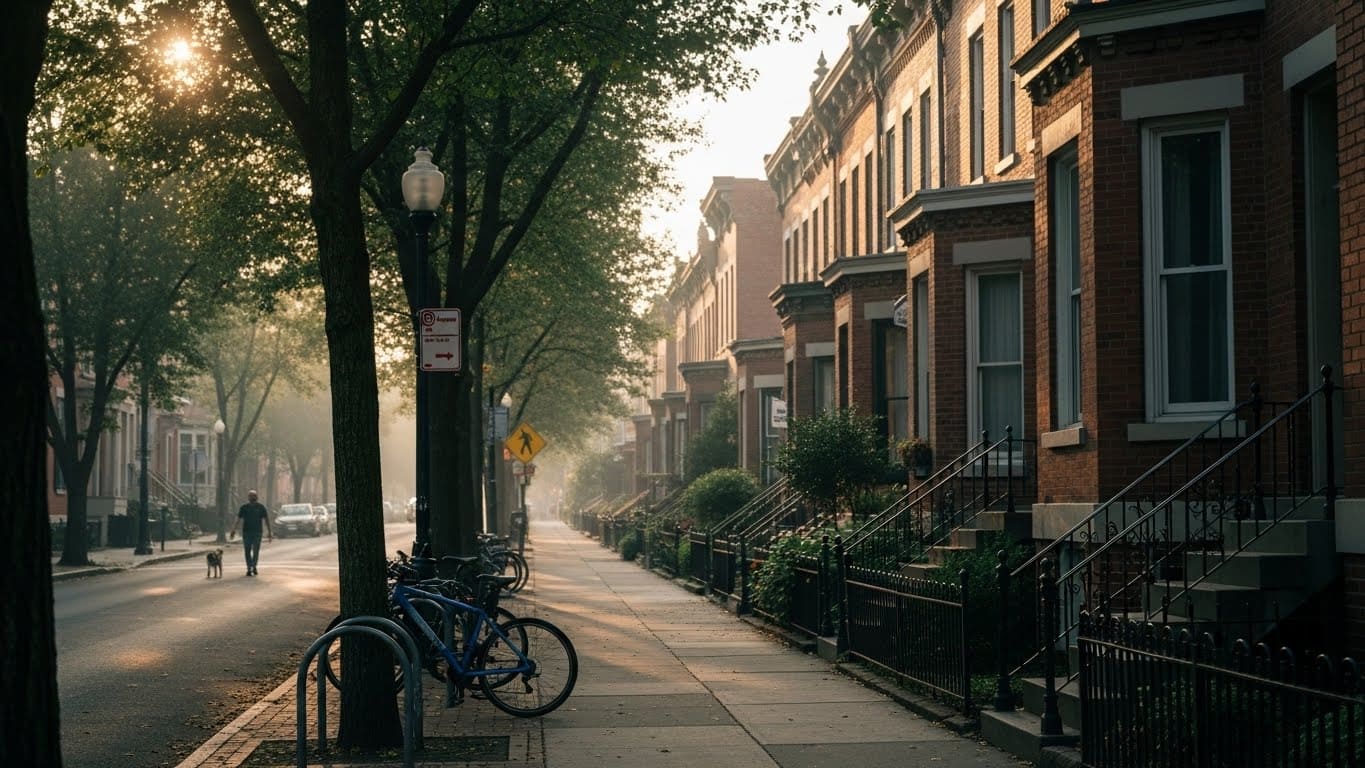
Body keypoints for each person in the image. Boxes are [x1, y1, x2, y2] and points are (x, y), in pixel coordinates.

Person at [229, 489, 272, 576]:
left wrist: (269, 532)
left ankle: (254, 566)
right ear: (248, 497)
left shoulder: (261, 507)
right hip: (246, 532)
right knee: (247, 550)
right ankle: (249, 567)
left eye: (254, 496)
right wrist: (233, 530)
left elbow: (266, 519)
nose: (252, 497)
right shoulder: (244, 508)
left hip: (257, 532)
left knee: (256, 551)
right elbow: (237, 519)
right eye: (251, 496)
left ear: (257, 497)